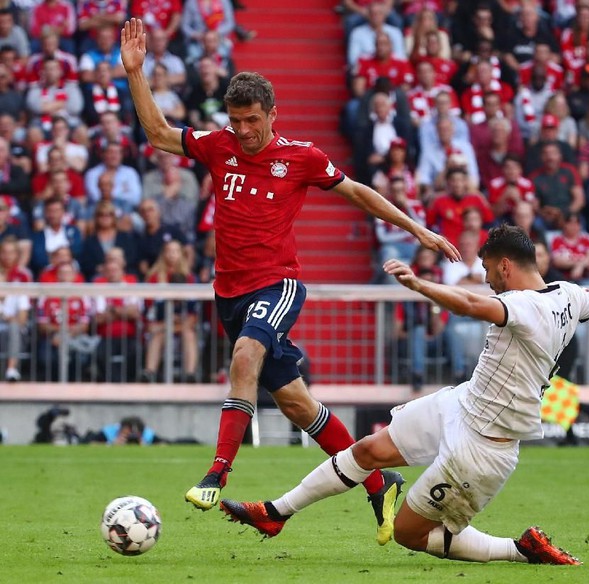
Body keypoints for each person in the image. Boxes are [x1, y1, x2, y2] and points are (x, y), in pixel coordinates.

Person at [119, 18, 460, 544]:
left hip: (277, 285)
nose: (244, 131)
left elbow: (358, 192)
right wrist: (135, 73)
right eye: (236, 121)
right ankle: (379, 483)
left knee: (245, 356)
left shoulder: (301, 158)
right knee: (298, 405)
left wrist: (415, 227)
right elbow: (160, 134)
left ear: (272, 114)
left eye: (252, 120)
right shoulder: (218, 145)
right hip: (228, 292)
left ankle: (217, 472)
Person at [217, 225, 589, 564]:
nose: (485, 279)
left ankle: (518, 550)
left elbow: (469, 305)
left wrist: (420, 285)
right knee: (368, 450)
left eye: (486, 269)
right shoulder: (569, 295)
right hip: (462, 403)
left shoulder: (524, 305)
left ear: (505, 267)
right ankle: (276, 513)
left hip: (484, 445)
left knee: (410, 534)